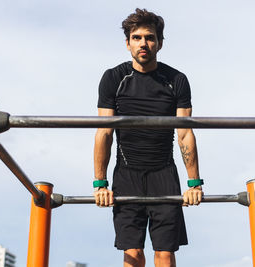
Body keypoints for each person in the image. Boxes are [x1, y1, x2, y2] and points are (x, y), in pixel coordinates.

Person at [93, 8, 203, 267]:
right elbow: (104, 131)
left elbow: (185, 132)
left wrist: (194, 182)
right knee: (133, 253)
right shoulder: (114, 78)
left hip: (164, 174)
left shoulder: (176, 80)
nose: (144, 43)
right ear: (128, 43)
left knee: (164, 254)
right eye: (137, 37)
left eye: (150, 37)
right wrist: (100, 184)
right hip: (126, 174)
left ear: (160, 43)